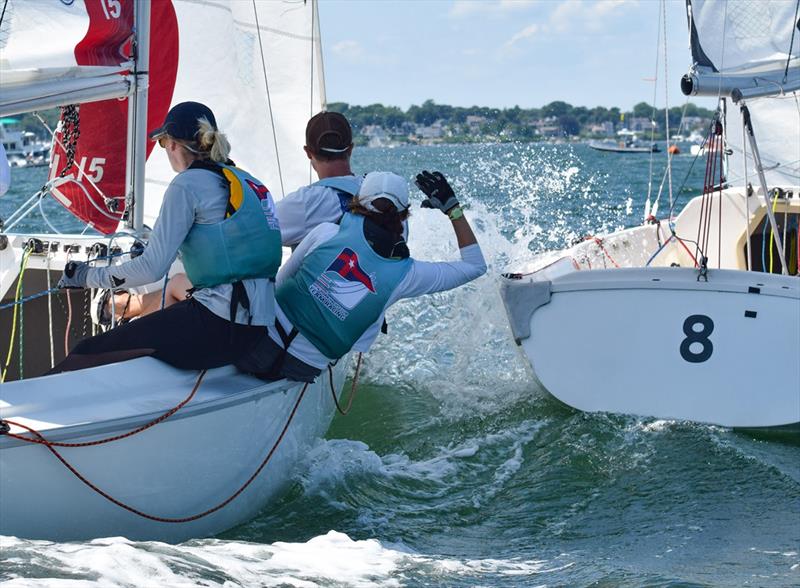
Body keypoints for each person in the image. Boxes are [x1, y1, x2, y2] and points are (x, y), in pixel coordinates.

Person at [52, 101, 282, 372]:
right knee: (158, 317)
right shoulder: (247, 181)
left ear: (172, 144)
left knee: (85, 353)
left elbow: (152, 268)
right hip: (256, 327)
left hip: (220, 326)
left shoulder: (187, 184)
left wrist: (84, 276)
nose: (165, 150)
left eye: (162, 144)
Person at [93, 110, 362, 325]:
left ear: (308, 153)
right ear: (350, 149)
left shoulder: (309, 202)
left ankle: (125, 306)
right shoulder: (371, 196)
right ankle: (129, 306)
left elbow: (254, 228)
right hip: (347, 312)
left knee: (179, 280)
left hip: (286, 316)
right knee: (180, 282)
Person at [235, 170, 487, 382]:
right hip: (304, 366)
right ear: (403, 216)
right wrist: (453, 209)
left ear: (357, 201)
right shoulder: (407, 275)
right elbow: (475, 266)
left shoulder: (325, 232)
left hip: (256, 343)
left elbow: (280, 283)